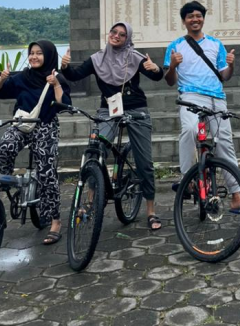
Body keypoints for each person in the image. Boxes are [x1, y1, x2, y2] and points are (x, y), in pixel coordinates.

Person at [61, 21, 164, 231]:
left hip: (136, 109)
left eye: (122, 34)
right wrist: (64, 66)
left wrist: (156, 68)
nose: (116, 36)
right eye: (114, 32)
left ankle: (151, 210)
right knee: (95, 152)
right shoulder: (97, 59)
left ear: (128, 39)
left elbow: (156, 75)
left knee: (144, 162)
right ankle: (91, 202)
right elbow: (74, 75)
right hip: (108, 110)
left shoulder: (134, 57)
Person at [163, 0, 240, 211]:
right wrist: (172, 66)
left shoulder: (216, 44)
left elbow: (225, 75)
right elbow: (170, 80)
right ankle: (187, 180)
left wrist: (231, 65)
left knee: (225, 143)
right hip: (190, 96)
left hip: (217, 98)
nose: (195, 19)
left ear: (203, 19)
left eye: (198, 16)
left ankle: (237, 195)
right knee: (190, 130)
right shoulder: (175, 46)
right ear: (184, 21)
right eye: (190, 16)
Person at [0, 40, 70, 245]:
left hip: (46, 125)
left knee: (46, 173)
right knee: (5, 146)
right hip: (22, 124)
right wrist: (2, 78)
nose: (34, 57)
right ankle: (9, 183)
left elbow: (64, 105)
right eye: (31, 53)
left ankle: (55, 220)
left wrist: (56, 84)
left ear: (48, 56)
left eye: (39, 53)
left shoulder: (56, 77)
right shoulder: (23, 76)